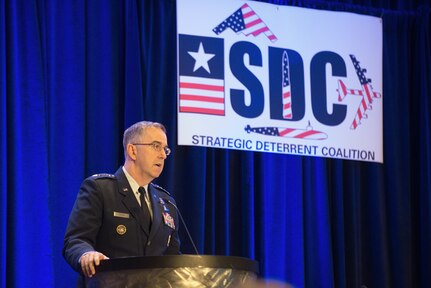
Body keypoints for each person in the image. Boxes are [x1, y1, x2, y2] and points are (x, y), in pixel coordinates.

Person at [63, 121, 180, 284]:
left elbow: (173, 260)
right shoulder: (100, 189)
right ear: (132, 150)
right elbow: (75, 241)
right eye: (156, 146)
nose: (163, 154)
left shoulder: (167, 203)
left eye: (165, 149)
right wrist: (86, 255)